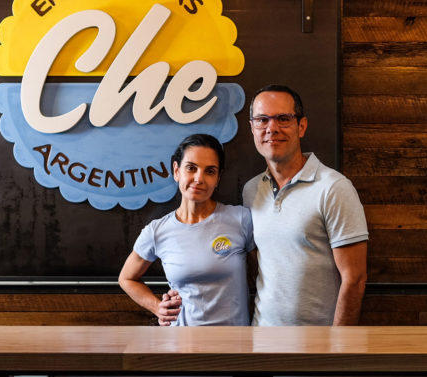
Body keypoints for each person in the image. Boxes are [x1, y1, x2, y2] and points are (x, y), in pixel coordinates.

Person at [242, 84, 368, 326]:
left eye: (283, 119)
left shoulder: (333, 188)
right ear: (252, 128)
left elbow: (355, 278)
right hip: (262, 340)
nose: (272, 128)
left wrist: (338, 347)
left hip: (318, 347)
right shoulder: (251, 191)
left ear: (301, 126)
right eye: (262, 120)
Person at [118, 133, 254, 326]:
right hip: (181, 345)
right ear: (176, 171)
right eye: (191, 168)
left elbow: (261, 276)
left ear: (218, 179)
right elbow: (126, 278)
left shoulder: (241, 219)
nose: (199, 178)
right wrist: (157, 307)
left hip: (235, 345)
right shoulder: (157, 231)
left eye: (210, 171)